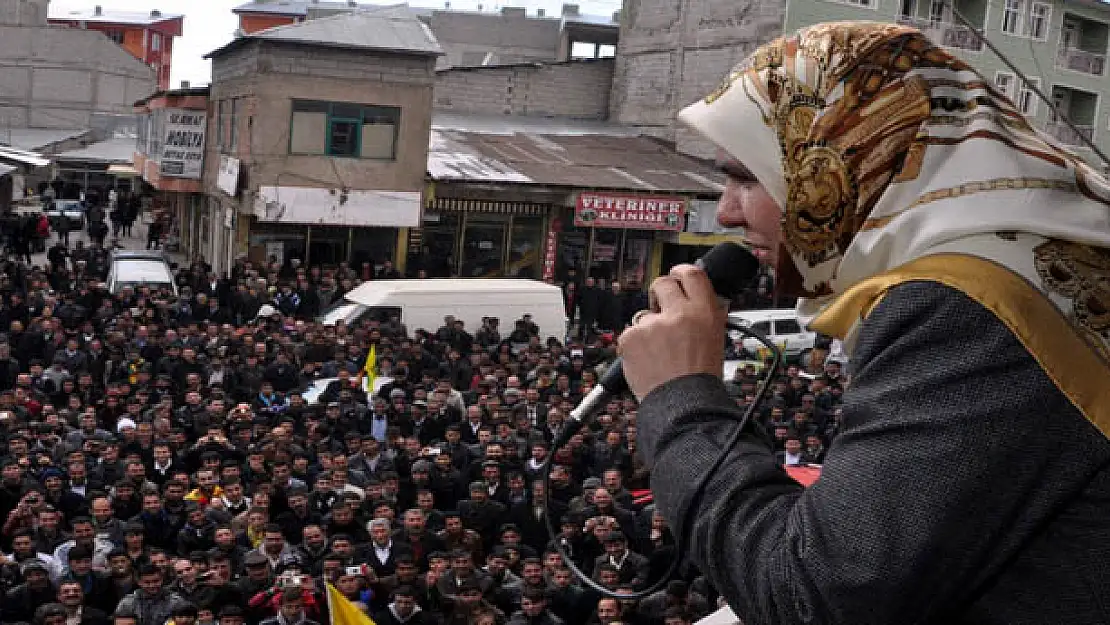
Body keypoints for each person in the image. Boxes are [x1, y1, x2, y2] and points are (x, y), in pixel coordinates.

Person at [618, 21, 1110, 625]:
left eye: (748, 177)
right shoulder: (1022, 260)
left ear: (847, 154)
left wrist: (681, 399)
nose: (724, 211)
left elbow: (815, 599)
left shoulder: (967, 306)